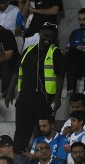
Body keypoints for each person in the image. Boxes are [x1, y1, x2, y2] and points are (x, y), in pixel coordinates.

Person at [6, 23, 65, 154]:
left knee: (43, 134)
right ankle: (18, 162)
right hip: (25, 100)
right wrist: (9, 92)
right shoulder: (28, 51)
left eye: (51, 36)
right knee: (21, 133)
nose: (48, 38)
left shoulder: (56, 53)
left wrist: (57, 97)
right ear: (40, 34)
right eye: (45, 35)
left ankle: (43, 163)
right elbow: (16, 72)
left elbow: (60, 76)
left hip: (45, 101)